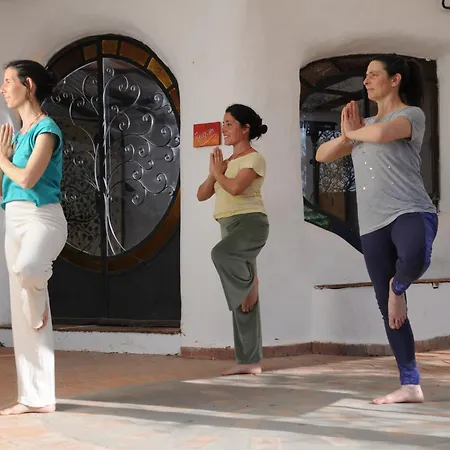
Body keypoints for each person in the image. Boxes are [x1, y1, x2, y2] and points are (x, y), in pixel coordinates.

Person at [316, 54, 438, 405]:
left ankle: (398, 286)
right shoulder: (361, 127)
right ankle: (410, 384)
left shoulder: (410, 115)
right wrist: (348, 136)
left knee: (415, 257)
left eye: (373, 74)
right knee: (389, 312)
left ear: (394, 79)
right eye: (366, 76)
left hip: (410, 210)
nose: (366, 81)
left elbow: (384, 133)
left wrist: (353, 133)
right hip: (372, 224)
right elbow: (322, 155)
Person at [0, 60, 67, 415]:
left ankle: (37, 289)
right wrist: (6, 158)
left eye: (8, 81)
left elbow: (27, 179)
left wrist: (1, 159)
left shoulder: (47, 129)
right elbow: (7, 188)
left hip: (43, 218)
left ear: (28, 85)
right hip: (14, 220)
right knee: (23, 315)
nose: (3, 88)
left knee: (28, 271)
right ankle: (35, 398)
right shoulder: (16, 136)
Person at [197, 104, 269, 376]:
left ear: (245, 128)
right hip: (227, 225)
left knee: (221, 254)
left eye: (229, 123)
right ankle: (249, 361)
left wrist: (219, 174)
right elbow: (202, 195)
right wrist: (214, 172)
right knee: (243, 302)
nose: (223, 129)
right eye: (223, 123)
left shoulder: (254, 158)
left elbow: (237, 188)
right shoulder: (226, 163)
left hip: (250, 224)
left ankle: (251, 282)